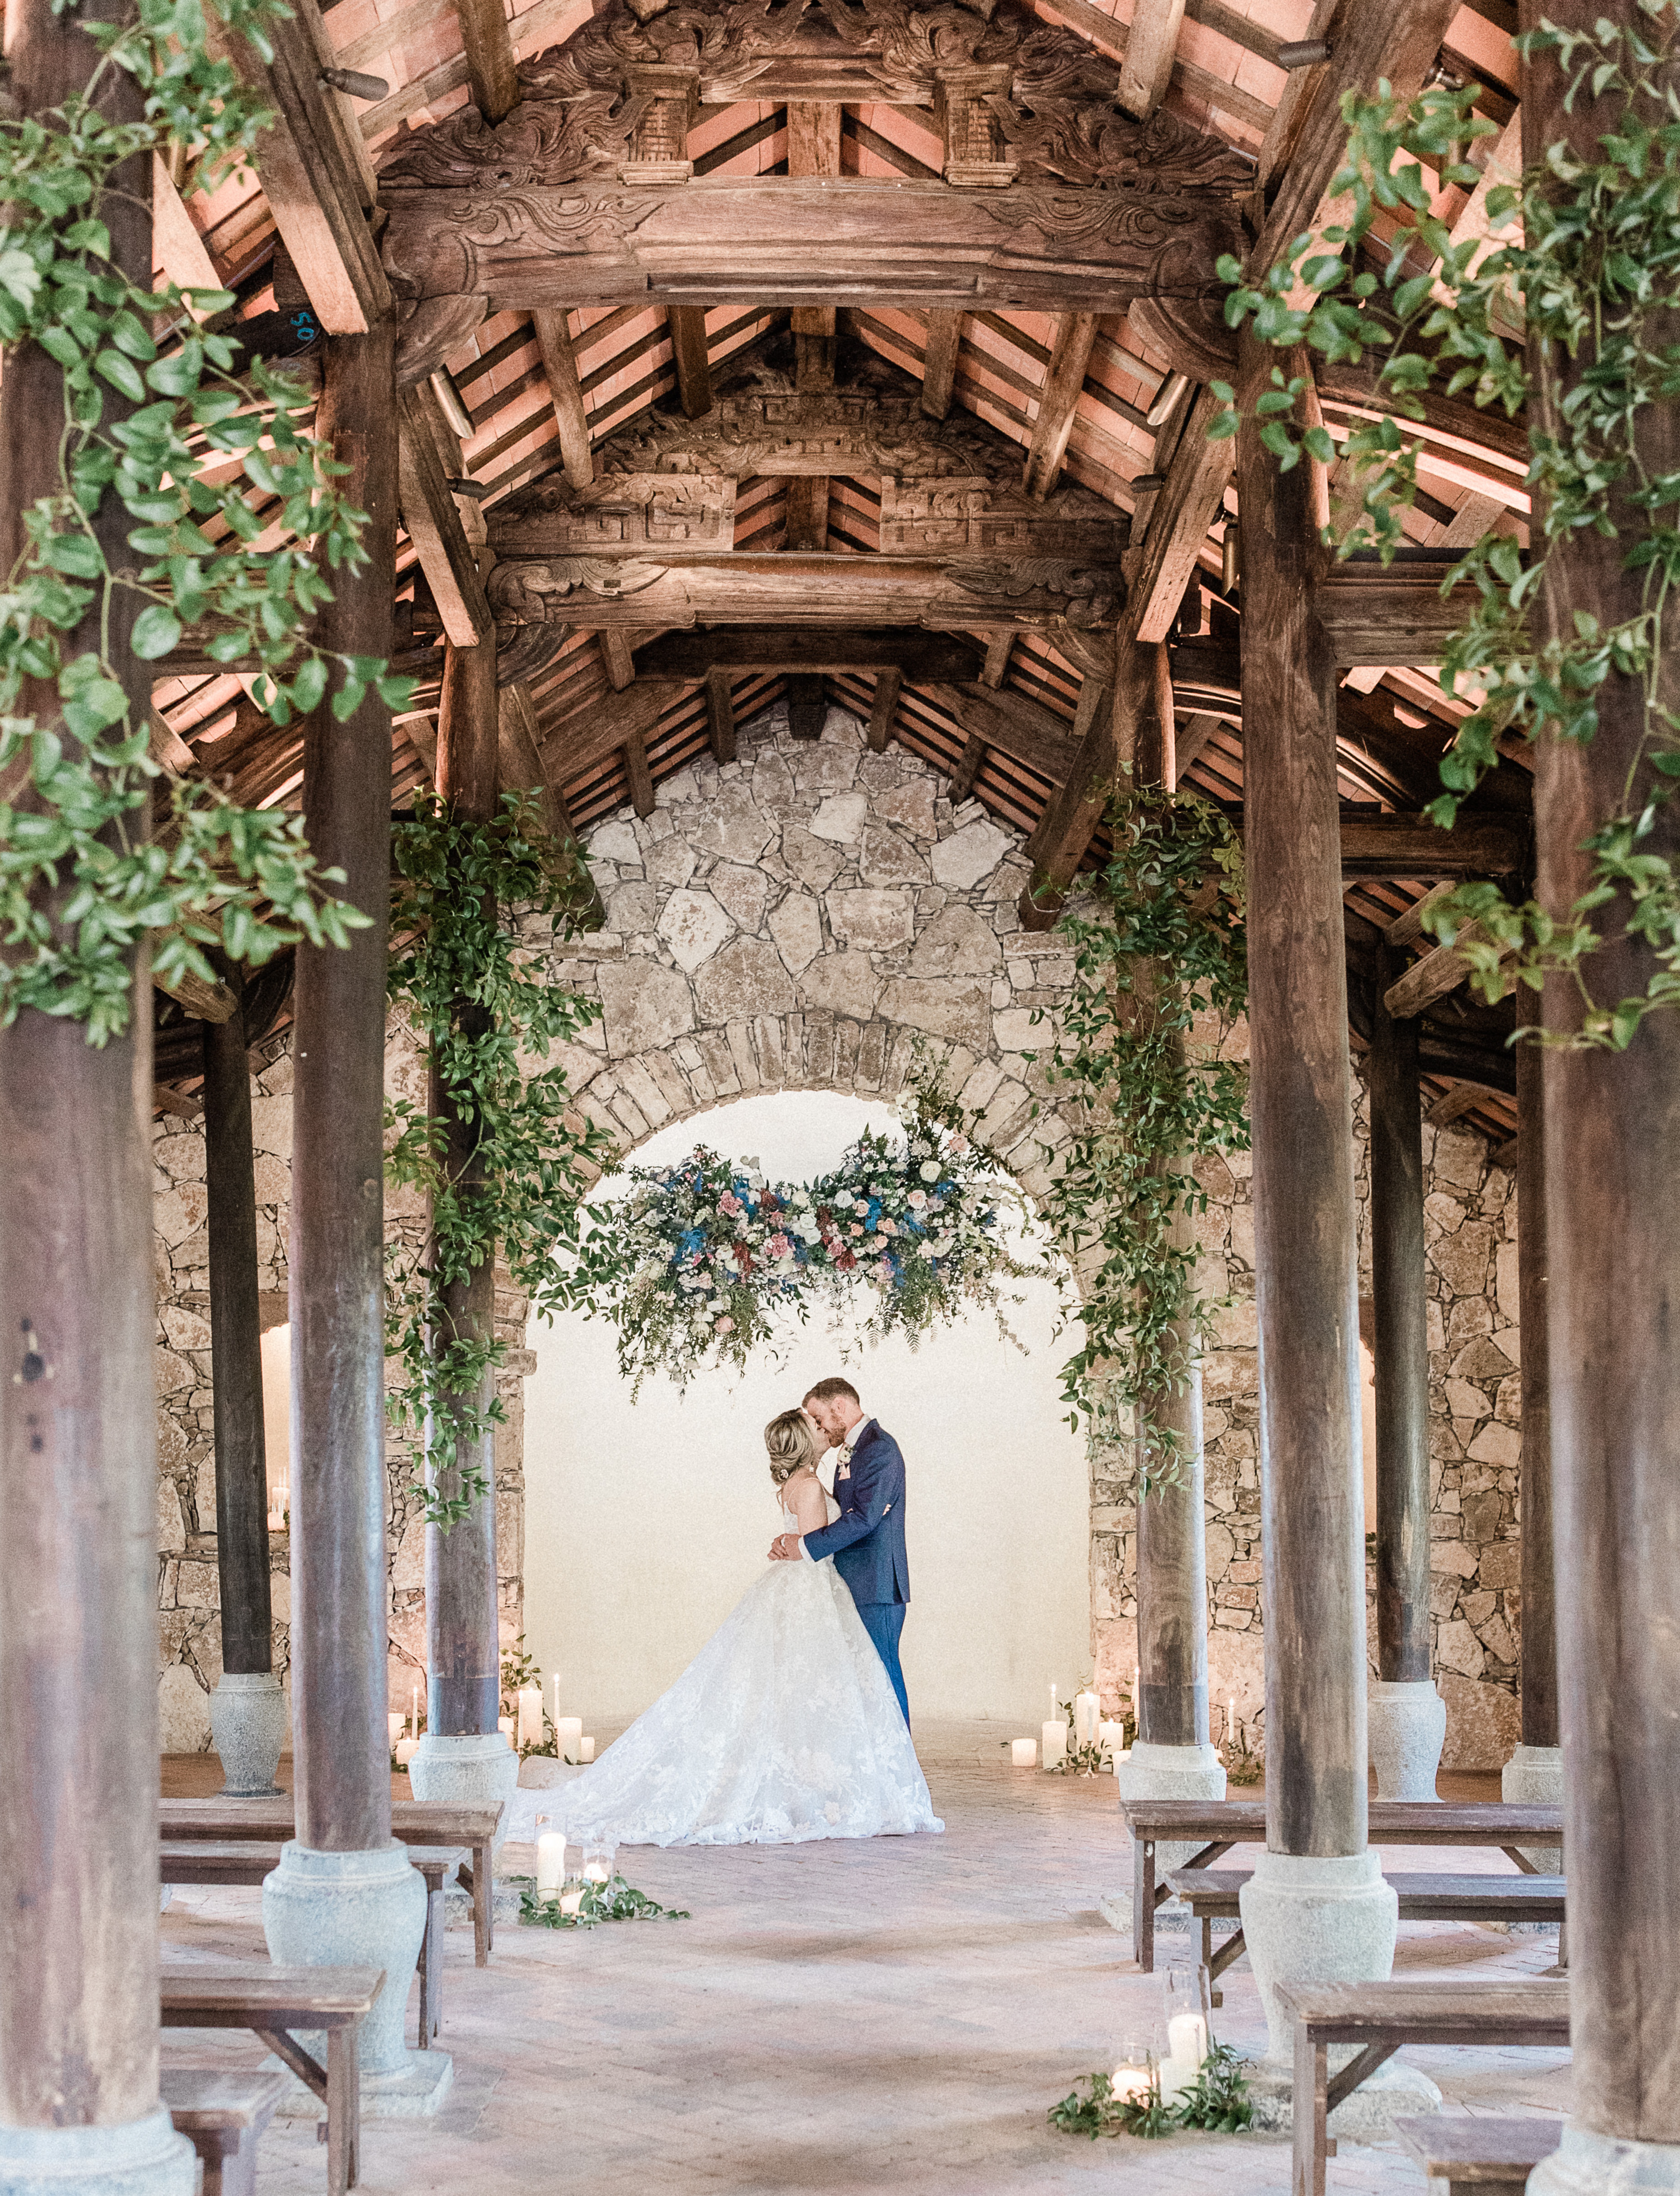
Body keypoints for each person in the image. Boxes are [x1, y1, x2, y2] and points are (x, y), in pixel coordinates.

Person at [538, 1405, 941, 1847]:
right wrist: (803, 1542)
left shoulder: (797, 1482)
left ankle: (818, 1780)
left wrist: (798, 1541)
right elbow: (817, 1548)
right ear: (805, 1442)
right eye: (816, 1427)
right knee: (818, 1690)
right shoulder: (806, 1485)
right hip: (812, 1592)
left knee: (809, 1694)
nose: (824, 1430)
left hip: (806, 1586)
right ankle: (825, 1786)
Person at [771, 1377, 912, 1727]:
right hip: (853, 1581)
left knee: (883, 1674)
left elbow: (864, 1518)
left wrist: (802, 1546)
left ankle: (900, 1765)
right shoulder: (852, 1449)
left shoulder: (879, 1448)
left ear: (839, 1407)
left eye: (820, 1418)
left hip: (876, 1582)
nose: (819, 1427)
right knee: (864, 1679)